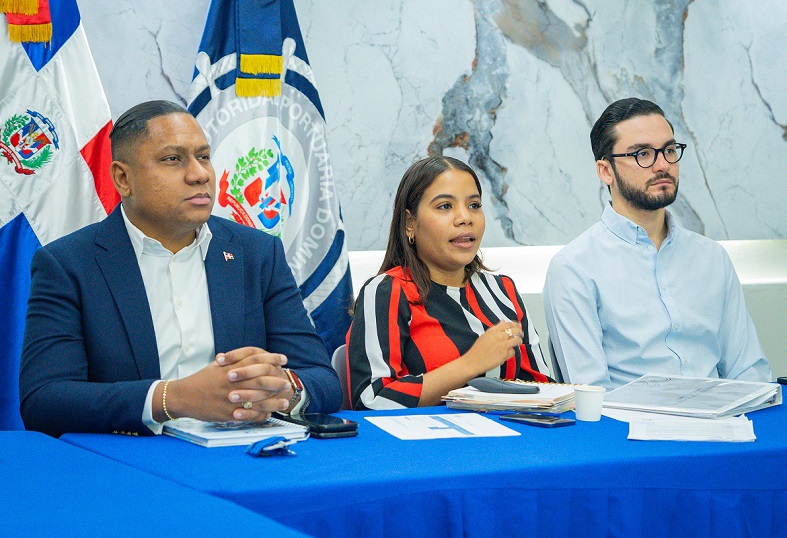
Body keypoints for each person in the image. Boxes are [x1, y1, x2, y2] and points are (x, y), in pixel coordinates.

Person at [19, 100, 341, 437]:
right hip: (131, 459)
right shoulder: (69, 264)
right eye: (173, 159)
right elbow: (44, 401)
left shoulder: (257, 253)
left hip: (241, 452)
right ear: (123, 178)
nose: (200, 174)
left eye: (204, 156)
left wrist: (281, 388)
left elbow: (323, 380)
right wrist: (172, 399)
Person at [543, 97, 771, 389]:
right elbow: (591, 395)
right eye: (643, 154)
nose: (662, 165)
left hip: (723, 415)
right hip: (627, 418)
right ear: (606, 171)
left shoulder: (712, 257)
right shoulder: (574, 268)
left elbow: (749, 372)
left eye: (669, 150)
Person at [347, 156, 551, 409]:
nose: (465, 218)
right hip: (424, 434)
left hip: (507, 431)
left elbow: (544, 389)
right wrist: (470, 364)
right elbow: (371, 400)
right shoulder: (387, 292)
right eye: (445, 206)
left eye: (474, 205)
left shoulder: (502, 290)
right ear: (410, 223)